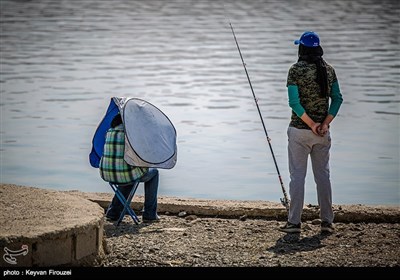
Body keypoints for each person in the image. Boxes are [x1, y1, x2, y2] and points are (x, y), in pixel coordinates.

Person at [279, 31, 343, 234]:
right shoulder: (329, 70)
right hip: (322, 134)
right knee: (323, 176)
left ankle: (294, 223)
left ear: (302, 49)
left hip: (299, 130)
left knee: (297, 176)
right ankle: (327, 222)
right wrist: (323, 124)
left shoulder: (295, 70)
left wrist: (310, 124)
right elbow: (338, 99)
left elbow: (294, 103)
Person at [99, 113, 160, 222]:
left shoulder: (109, 132)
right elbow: (143, 157)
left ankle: (113, 212)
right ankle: (150, 214)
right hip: (124, 174)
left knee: (126, 173)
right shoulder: (131, 135)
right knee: (153, 172)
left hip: (106, 173)